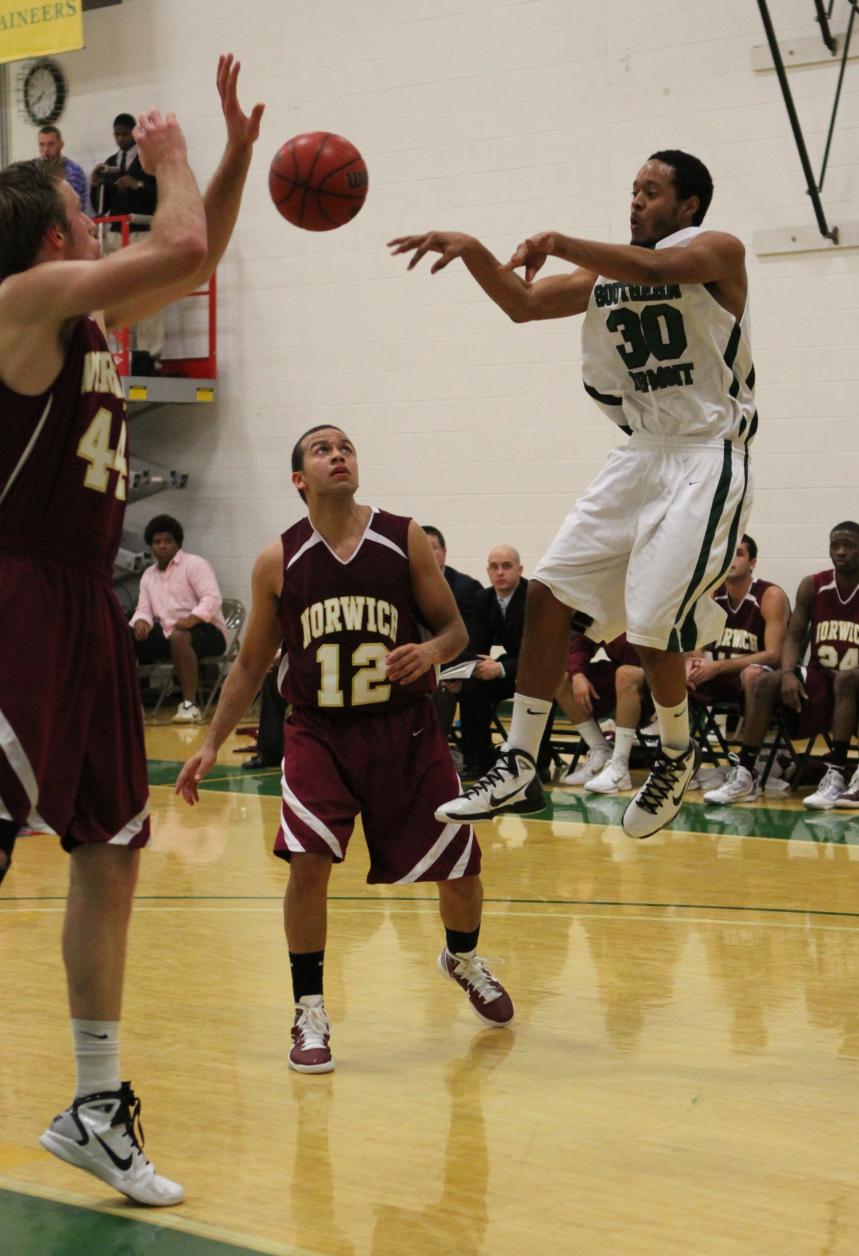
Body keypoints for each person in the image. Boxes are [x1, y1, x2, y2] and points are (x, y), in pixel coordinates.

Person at [0, 55, 264, 1205]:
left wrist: (233, 158)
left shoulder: (94, 317)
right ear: (51, 237)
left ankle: (95, 1105)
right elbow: (179, 243)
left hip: (83, 609)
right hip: (14, 595)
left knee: (110, 849)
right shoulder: (20, 304)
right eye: (82, 211)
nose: (99, 223)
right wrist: (168, 161)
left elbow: (194, 253)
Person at [389, 148, 754, 838]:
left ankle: (676, 752)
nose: (635, 200)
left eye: (651, 191)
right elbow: (523, 304)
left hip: (706, 452)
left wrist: (557, 240)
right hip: (640, 452)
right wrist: (474, 251)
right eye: (633, 189)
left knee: (651, 619)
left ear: (688, 206)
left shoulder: (717, 251)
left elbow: (659, 270)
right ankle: (519, 763)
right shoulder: (608, 275)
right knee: (548, 591)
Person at [177, 425, 514, 1075]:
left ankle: (463, 958)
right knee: (307, 864)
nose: (338, 455)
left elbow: (454, 630)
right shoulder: (277, 560)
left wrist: (430, 651)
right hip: (319, 733)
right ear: (298, 479)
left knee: (460, 872)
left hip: (406, 729)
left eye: (346, 447)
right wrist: (210, 742)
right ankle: (308, 1009)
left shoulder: (401, 536)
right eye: (322, 449)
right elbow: (249, 665)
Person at [705, 522, 859, 809]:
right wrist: (788, 672)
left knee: (847, 680)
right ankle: (746, 773)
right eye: (835, 545)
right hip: (821, 675)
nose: (840, 551)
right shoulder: (813, 585)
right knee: (765, 681)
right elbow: (794, 636)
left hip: (854, 680)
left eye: (849, 545)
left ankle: (837, 772)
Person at [454, 545, 555, 780]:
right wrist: (466, 672)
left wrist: (500, 668)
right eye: (494, 567)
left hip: (538, 668)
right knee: (471, 687)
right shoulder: (484, 599)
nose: (500, 572)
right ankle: (478, 760)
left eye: (506, 566)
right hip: (511, 667)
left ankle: (538, 763)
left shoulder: (535, 597)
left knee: (540, 690)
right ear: (488, 572)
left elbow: (541, 652)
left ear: (520, 569)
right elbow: (476, 646)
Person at [131, 513, 227, 723]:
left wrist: (193, 618)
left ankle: (189, 705)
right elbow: (144, 608)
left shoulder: (195, 564)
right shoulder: (148, 575)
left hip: (208, 630)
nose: (162, 546)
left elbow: (212, 598)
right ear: (150, 546)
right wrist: (141, 622)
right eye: (157, 542)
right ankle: (132, 703)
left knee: (179, 636)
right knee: (125, 636)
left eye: (167, 541)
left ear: (177, 543)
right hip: (169, 632)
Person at [91, 112, 162, 374]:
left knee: (148, 294)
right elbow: (101, 205)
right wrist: (96, 182)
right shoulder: (111, 163)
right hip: (115, 234)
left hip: (141, 231)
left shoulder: (149, 161)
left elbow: (161, 194)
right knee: (117, 297)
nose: (121, 139)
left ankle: (150, 356)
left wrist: (137, 184)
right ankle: (123, 353)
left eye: (124, 134)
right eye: (117, 135)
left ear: (133, 133)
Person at [686, 534, 789, 712]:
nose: (730, 559)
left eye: (738, 553)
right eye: (725, 553)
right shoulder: (711, 594)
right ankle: (680, 727)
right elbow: (697, 643)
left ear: (752, 563)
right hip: (720, 673)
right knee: (675, 663)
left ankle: (752, 732)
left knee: (752, 675)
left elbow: (774, 655)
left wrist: (717, 667)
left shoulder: (770, 595)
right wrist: (693, 662)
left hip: (760, 676)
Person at [559, 633, 650, 794]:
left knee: (625, 674)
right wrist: (578, 673)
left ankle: (620, 766)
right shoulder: (602, 616)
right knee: (562, 678)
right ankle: (601, 751)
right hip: (622, 672)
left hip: (661, 672)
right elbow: (581, 642)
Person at [38, 124, 87, 210]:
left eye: (51, 144)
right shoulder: (36, 171)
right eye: (42, 144)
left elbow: (69, 205)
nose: (46, 149)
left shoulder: (73, 171)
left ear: (61, 145)